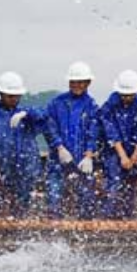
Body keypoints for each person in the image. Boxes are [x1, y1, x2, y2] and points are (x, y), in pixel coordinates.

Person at [0, 72, 46, 217]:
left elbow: (45, 116)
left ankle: (19, 233)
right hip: (0, 167)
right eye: (10, 96)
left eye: (17, 96)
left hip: (24, 168)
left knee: (22, 206)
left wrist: (26, 113)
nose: (14, 99)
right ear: (0, 94)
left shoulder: (25, 114)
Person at [44, 62, 100, 219]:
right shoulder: (57, 103)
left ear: (88, 83)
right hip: (58, 159)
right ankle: (52, 235)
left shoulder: (92, 106)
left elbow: (93, 133)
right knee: (53, 198)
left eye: (81, 82)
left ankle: (84, 236)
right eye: (74, 81)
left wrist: (89, 155)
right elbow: (49, 127)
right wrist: (59, 147)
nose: (77, 85)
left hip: (82, 160)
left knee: (87, 201)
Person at [98, 70, 137, 219]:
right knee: (113, 183)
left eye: (130, 95)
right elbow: (110, 132)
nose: (127, 98)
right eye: (124, 95)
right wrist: (122, 156)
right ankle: (108, 219)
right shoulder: (109, 107)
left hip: (132, 149)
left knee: (131, 185)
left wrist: (136, 152)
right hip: (113, 151)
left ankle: (127, 219)